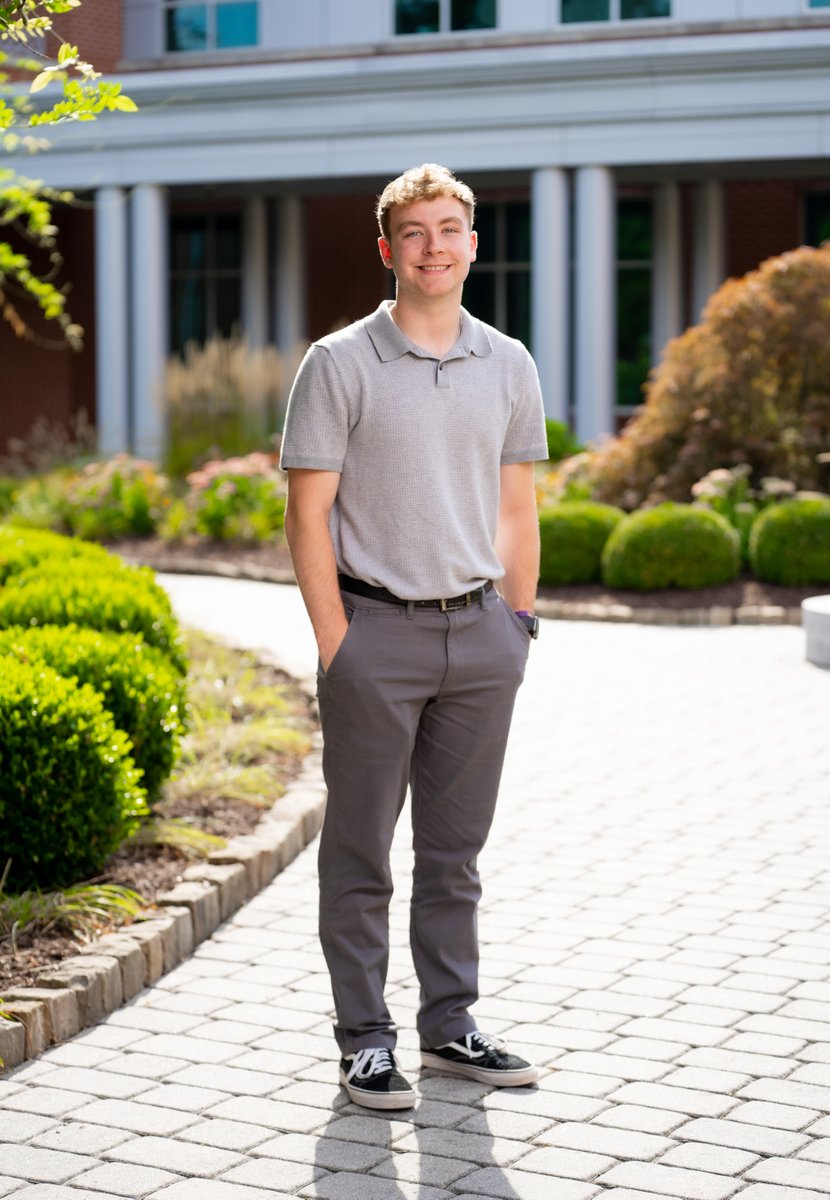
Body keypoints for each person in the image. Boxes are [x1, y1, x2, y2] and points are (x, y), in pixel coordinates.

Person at [280, 163, 548, 1110]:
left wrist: (517, 622)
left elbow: (518, 508)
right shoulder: (340, 362)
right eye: (416, 233)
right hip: (375, 639)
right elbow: (306, 517)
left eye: (451, 229)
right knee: (359, 852)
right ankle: (364, 1041)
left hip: (482, 637)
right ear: (387, 249)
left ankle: (451, 1027)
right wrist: (335, 641)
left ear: (474, 244)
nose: (435, 247)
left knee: (454, 854)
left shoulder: (510, 362)